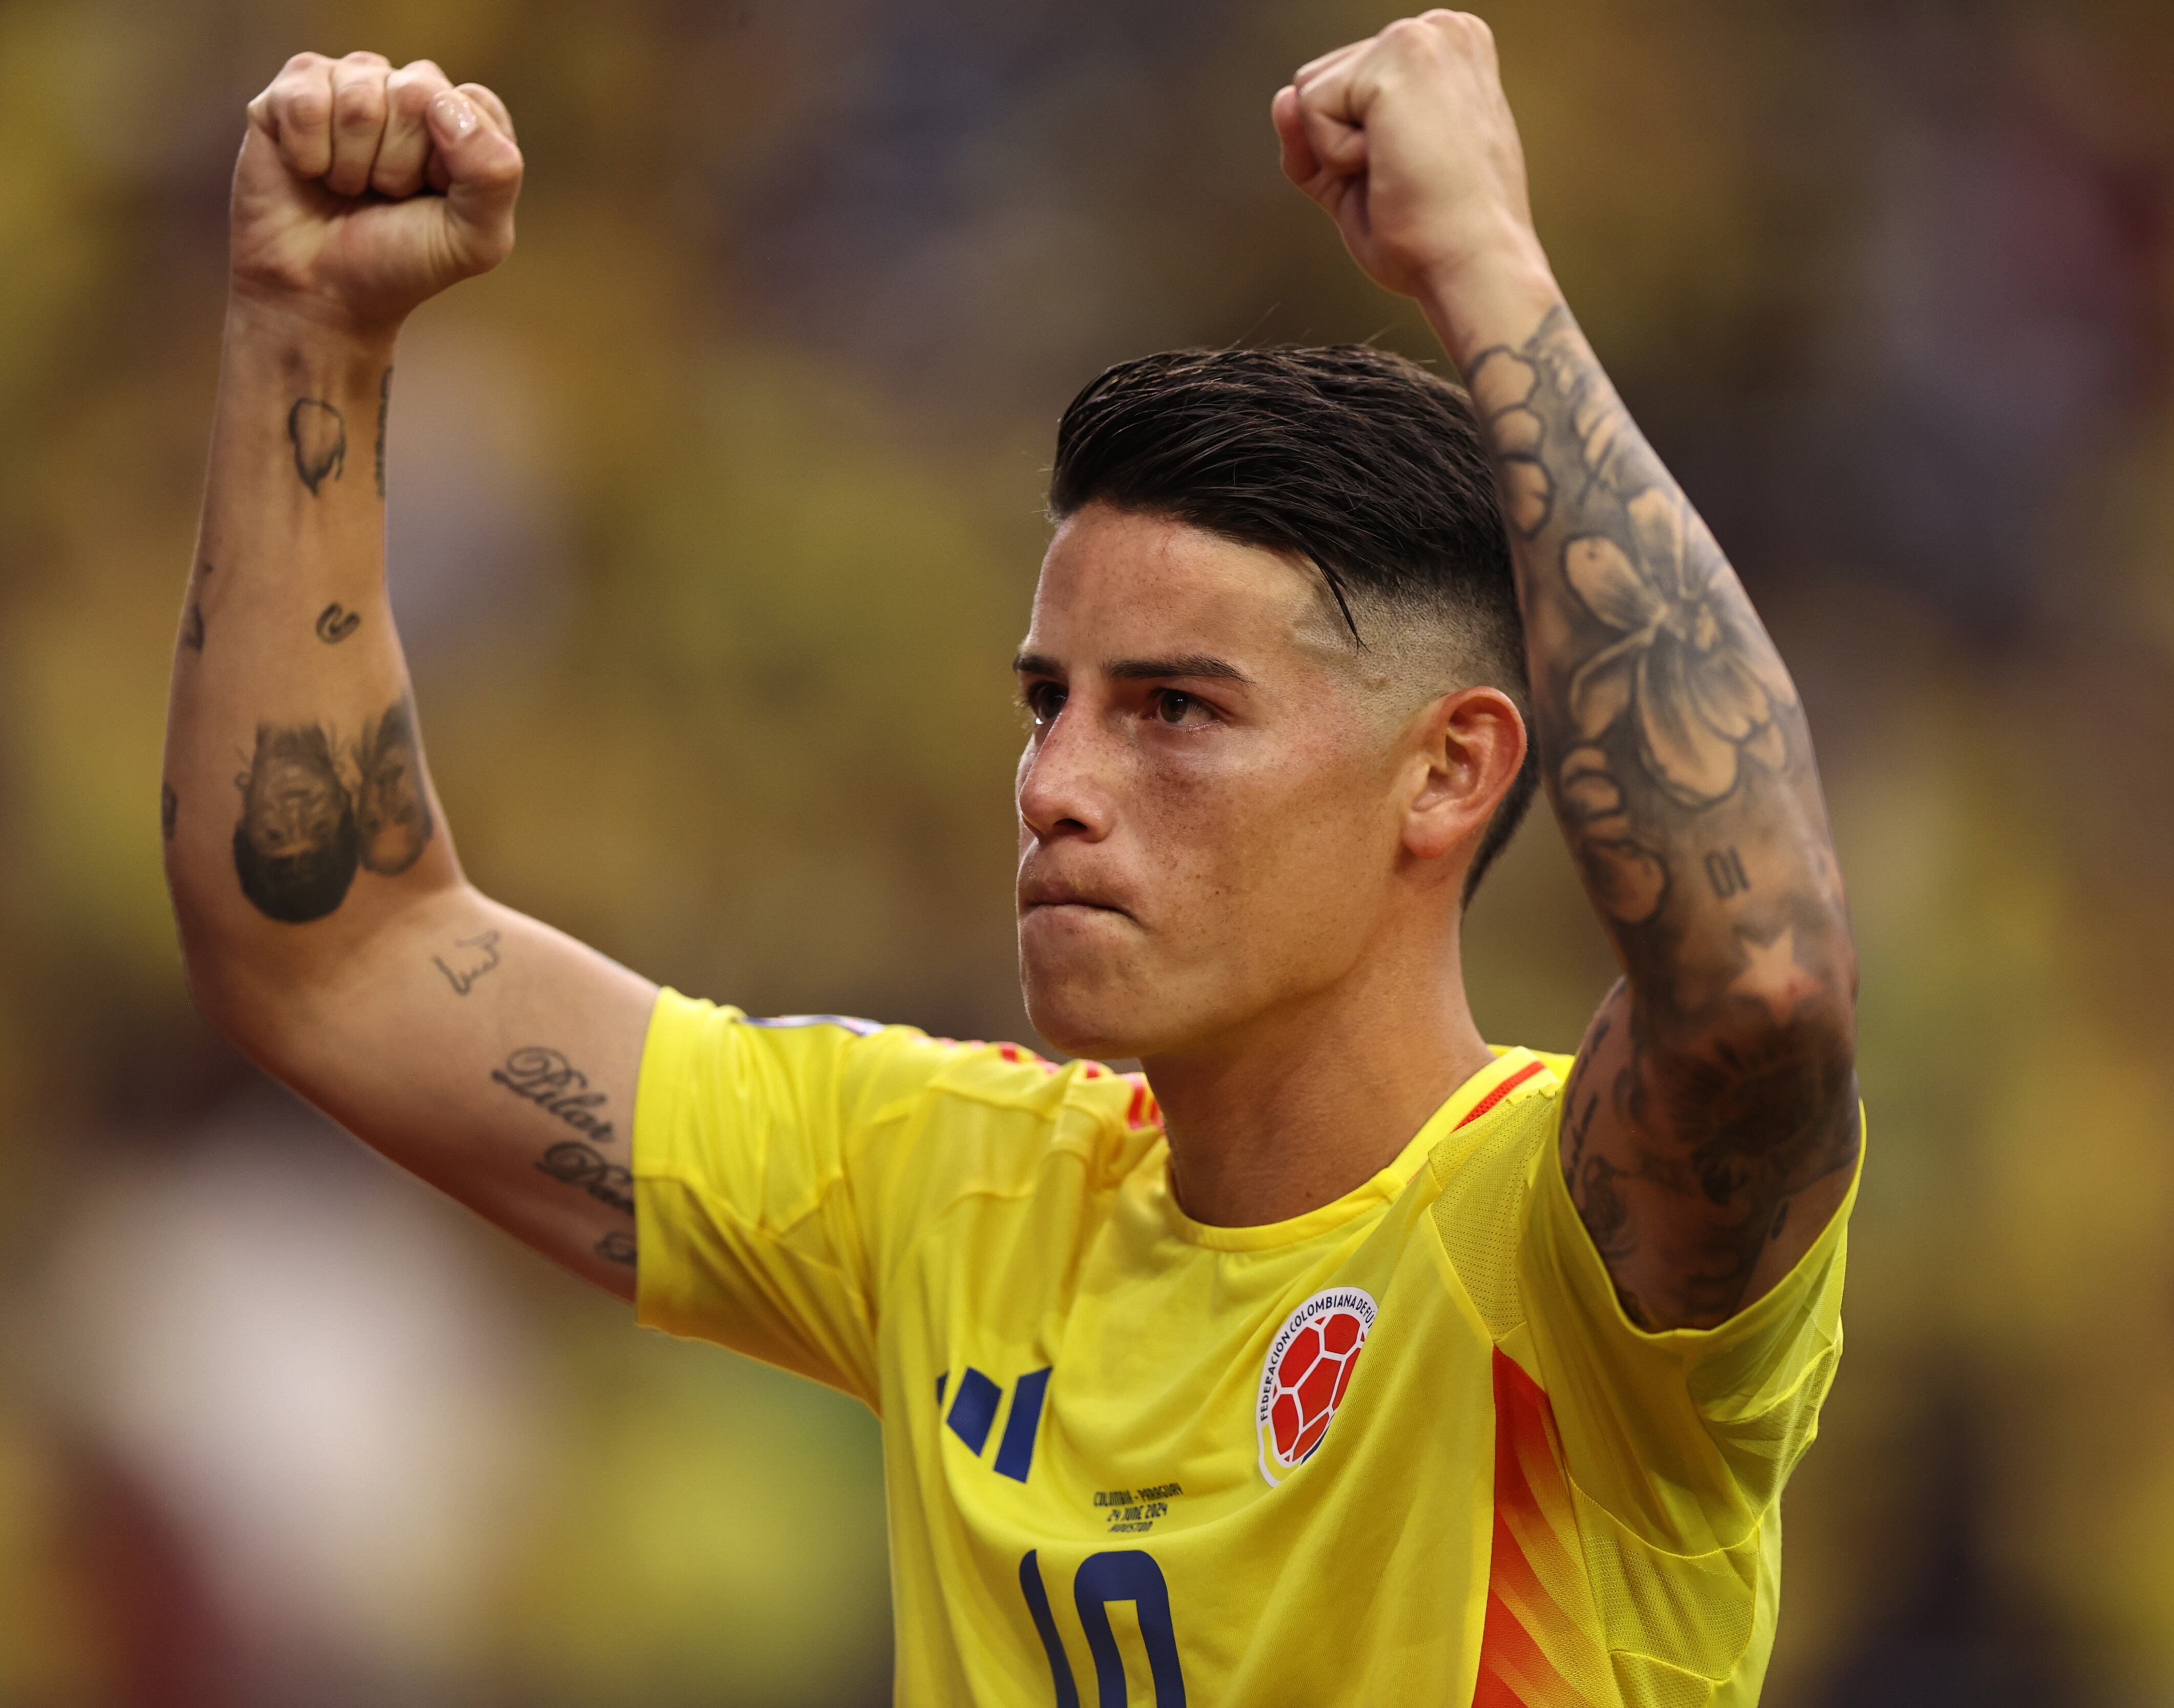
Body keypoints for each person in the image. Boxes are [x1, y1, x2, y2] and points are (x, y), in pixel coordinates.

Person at [162, 11, 1860, 1703]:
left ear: (1449, 773)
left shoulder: (1570, 1263)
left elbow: (1761, 980)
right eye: (1052, 702)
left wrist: (1490, 262)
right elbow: (343, 955)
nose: (1057, 781)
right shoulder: (952, 1197)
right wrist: (308, 328)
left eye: (1179, 711)